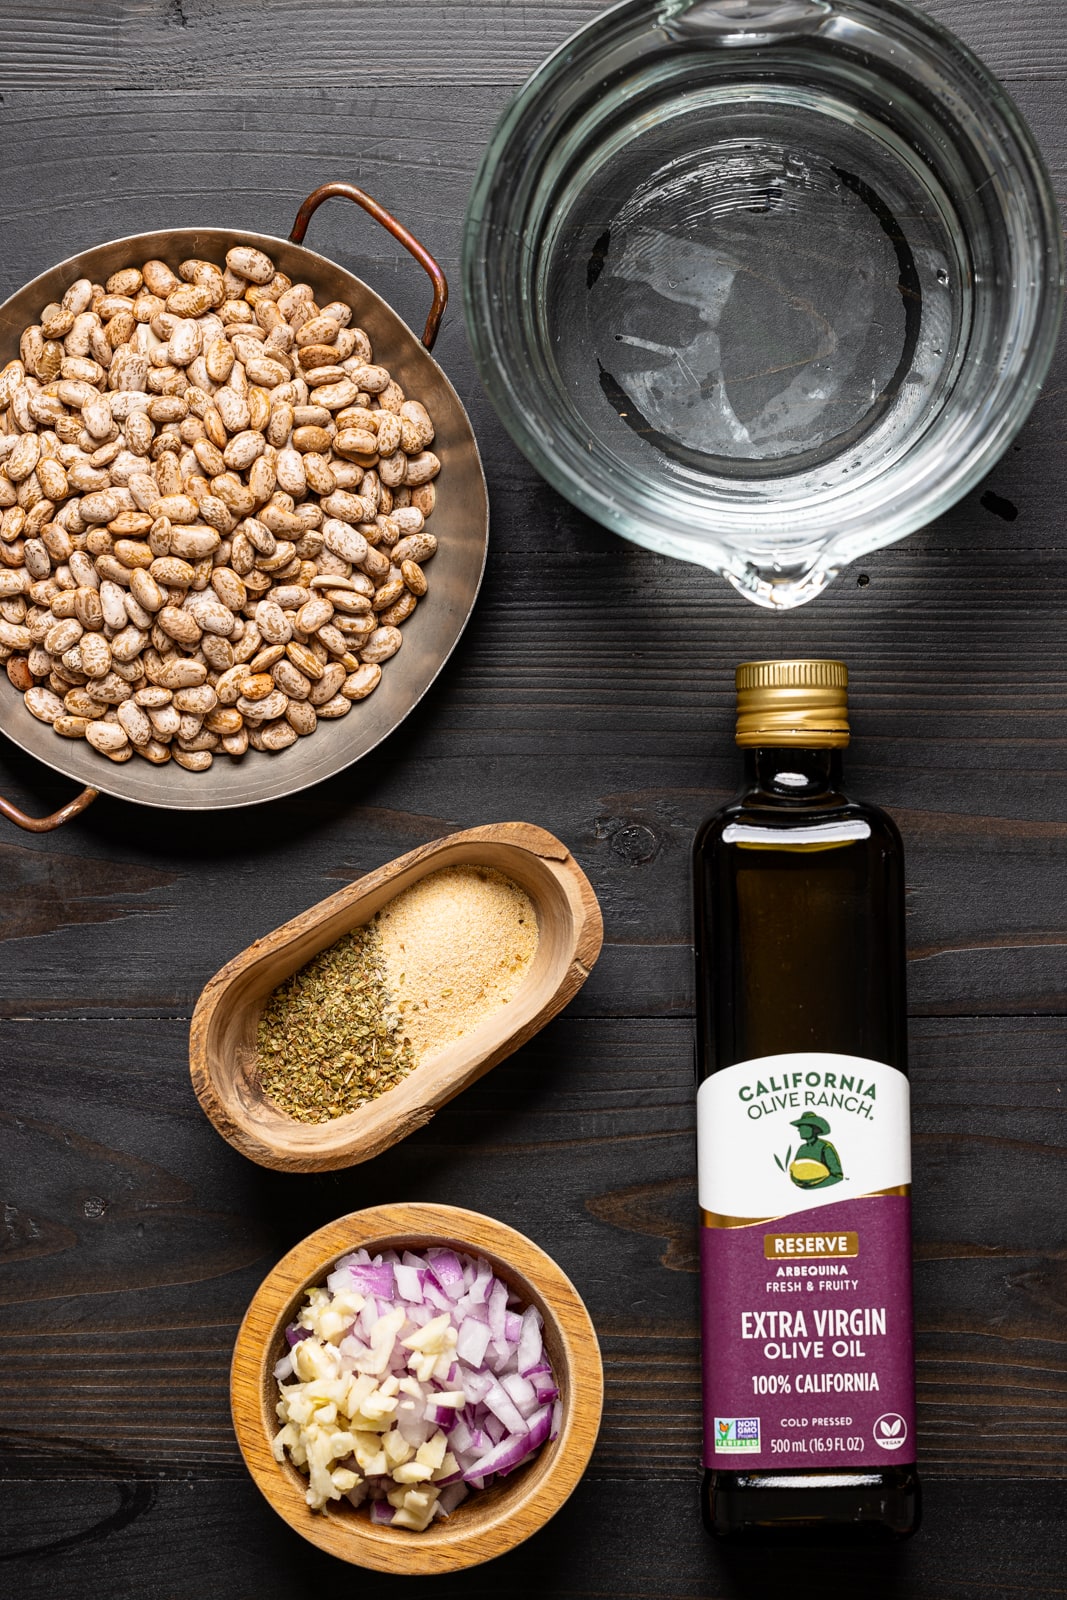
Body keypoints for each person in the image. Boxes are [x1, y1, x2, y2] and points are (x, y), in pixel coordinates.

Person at [790, 1112, 843, 1188]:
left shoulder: (825, 1147)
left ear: (814, 1129)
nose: (799, 1130)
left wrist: (812, 1188)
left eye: (803, 1126)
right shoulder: (802, 1149)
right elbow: (797, 1172)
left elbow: (837, 1176)